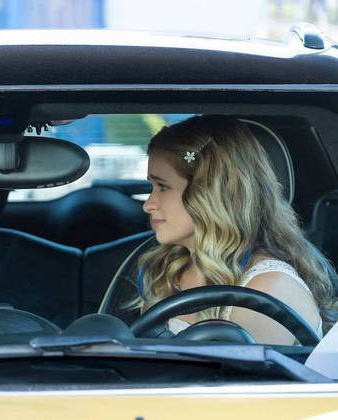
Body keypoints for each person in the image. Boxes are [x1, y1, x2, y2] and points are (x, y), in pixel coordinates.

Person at [127, 115, 335, 345]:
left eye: (163, 187)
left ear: (210, 194)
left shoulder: (270, 289)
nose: (148, 205)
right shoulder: (167, 266)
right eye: (152, 187)